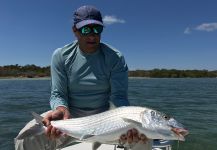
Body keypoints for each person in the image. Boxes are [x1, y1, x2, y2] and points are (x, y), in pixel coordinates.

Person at [15, 5, 152, 150]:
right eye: (86, 30)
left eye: (97, 29)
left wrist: (124, 124)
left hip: (107, 117)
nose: (92, 36)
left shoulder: (115, 57)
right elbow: (58, 93)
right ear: (75, 30)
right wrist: (61, 109)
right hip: (70, 116)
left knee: (143, 140)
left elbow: (119, 96)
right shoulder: (61, 56)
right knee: (25, 139)